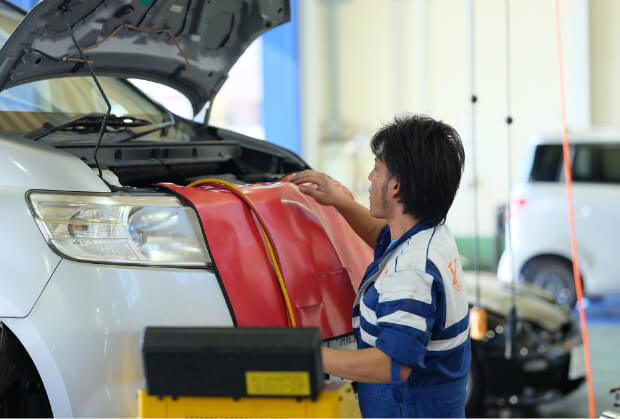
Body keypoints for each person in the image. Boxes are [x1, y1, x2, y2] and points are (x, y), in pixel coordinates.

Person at [289, 114, 470, 418]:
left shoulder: (412, 272)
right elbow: (382, 237)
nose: (370, 179)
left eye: (376, 170)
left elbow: (392, 365)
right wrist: (340, 202)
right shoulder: (431, 234)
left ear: (396, 186)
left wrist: (308, 355)